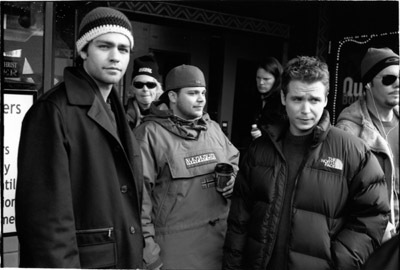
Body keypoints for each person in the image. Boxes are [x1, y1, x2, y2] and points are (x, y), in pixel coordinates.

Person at [222, 56, 390, 270]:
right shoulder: (259, 150)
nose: (305, 110)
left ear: (326, 100)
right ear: (283, 97)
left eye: (314, 100)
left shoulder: (352, 150)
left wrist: (340, 260)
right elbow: (239, 221)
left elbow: (373, 214)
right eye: (297, 99)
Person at [15, 7, 144, 268]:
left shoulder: (117, 111)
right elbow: (45, 224)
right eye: (104, 46)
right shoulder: (53, 111)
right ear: (83, 50)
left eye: (123, 49)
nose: (115, 57)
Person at [134, 64, 240, 270]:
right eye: (193, 93)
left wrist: (234, 178)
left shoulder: (213, 129)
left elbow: (234, 161)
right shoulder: (148, 135)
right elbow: (138, 202)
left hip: (220, 246)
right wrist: (149, 256)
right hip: (174, 253)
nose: (201, 99)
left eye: (203, 93)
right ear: (172, 97)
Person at [336, 47, 399, 240]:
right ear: (369, 84)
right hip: (375, 238)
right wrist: (379, 226)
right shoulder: (348, 131)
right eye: (389, 79)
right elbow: (340, 196)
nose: (397, 84)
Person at [251, 56, 286, 140]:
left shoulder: (283, 100)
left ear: (277, 79)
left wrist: (264, 133)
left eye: (266, 79)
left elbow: (283, 127)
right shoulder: (257, 97)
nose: (261, 82)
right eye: (258, 78)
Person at [125, 54, 163, 129]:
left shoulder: (169, 117)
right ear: (133, 89)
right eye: (139, 84)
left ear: (157, 88)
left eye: (150, 85)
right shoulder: (120, 115)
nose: (145, 89)